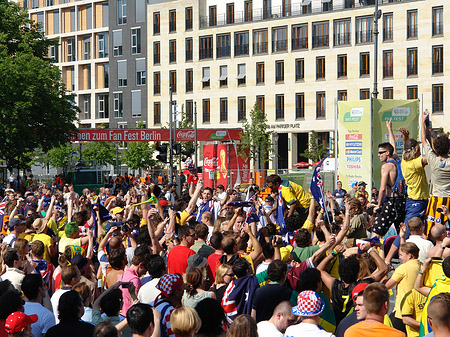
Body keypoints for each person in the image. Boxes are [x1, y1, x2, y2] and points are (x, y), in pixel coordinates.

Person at [420, 111, 450, 235]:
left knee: (431, 231)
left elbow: (423, 141)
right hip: (449, 199)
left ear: (436, 149)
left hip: (436, 199)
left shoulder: (432, 160)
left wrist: (422, 122)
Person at [384, 242, 420, 333]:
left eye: (401, 255)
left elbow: (386, 286)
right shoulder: (422, 266)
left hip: (401, 312)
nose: (399, 257)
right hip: (417, 312)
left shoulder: (403, 268)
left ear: (409, 255)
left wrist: (384, 272)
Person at [372, 141, 406, 238]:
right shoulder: (397, 161)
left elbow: (382, 189)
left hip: (392, 202)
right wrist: (389, 129)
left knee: (376, 231)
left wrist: (378, 205)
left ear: (387, 153)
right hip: (401, 202)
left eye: (380, 152)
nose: (378, 155)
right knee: (401, 233)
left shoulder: (386, 166)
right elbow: (393, 146)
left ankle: (372, 252)